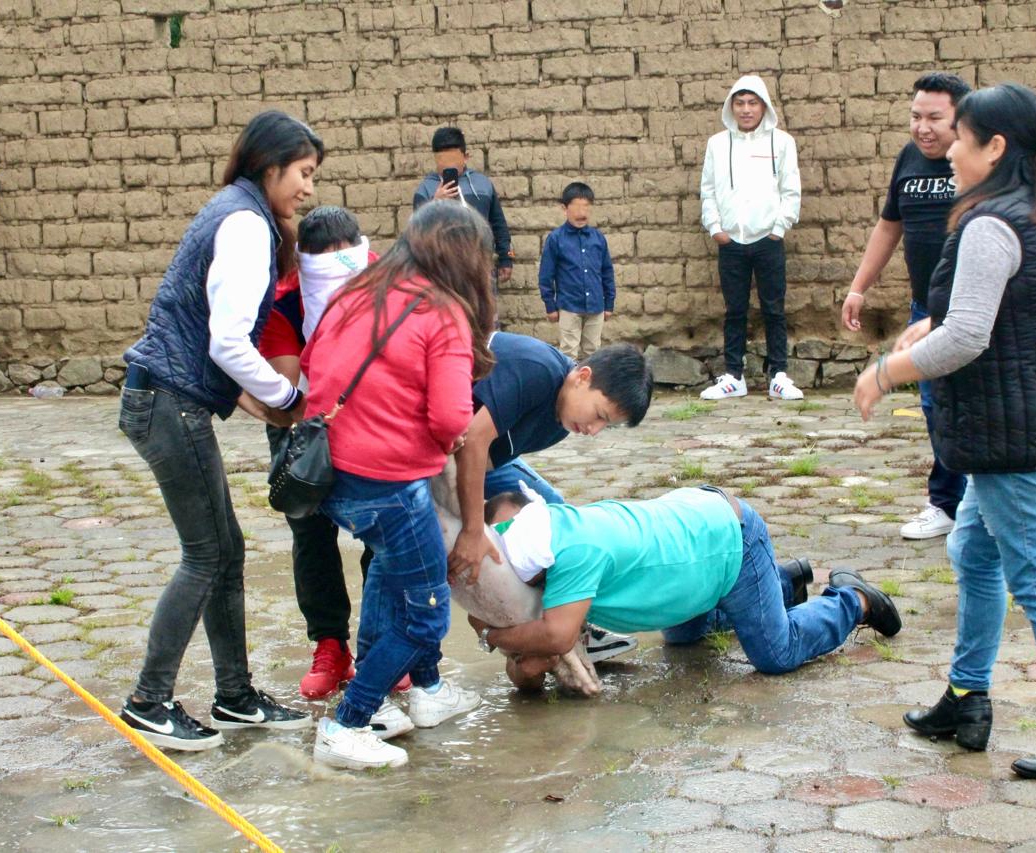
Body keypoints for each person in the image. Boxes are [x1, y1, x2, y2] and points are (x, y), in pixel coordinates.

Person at [853, 83, 1036, 782]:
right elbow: (1007, 311)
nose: (951, 154)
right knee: (973, 547)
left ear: (995, 148)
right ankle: (968, 697)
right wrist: (924, 325)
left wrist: (887, 370)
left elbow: (969, 336)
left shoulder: (990, 224)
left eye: (963, 141)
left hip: (1013, 435)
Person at [117, 111, 322, 750]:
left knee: (225, 549)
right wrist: (290, 395)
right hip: (167, 406)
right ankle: (149, 701)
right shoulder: (243, 225)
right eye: (304, 174)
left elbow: (216, 347)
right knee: (207, 554)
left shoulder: (237, 212)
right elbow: (229, 342)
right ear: (272, 165)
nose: (309, 190)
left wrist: (264, 405)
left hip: (174, 401)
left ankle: (235, 696)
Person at [302, 201, 497, 770]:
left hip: (332, 478)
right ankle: (349, 723)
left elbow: (315, 366)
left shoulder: (356, 292)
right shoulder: (443, 314)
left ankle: (423, 694)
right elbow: (447, 418)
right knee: (426, 615)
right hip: (388, 483)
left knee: (391, 575)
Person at [468, 487, 899, 691]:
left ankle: (852, 599)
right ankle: (780, 583)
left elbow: (557, 637)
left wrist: (491, 635)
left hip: (730, 538)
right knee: (682, 636)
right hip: (694, 551)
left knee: (775, 653)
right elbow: (527, 669)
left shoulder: (573, 554)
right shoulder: (550, 536)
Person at [447, 333, 654, 663]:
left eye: (607, 426)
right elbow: (472, 441)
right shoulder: (537, 370)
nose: (594, 430)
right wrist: (472, 531)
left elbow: (484, 460)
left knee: (559, 518)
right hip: (438, 441)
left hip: (479, 455)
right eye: (599, 415)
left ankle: (573, 627)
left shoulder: (563, 420)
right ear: (582, 377)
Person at [842, 73, 972, 542]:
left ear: (961, 118)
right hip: (927, 306)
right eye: (916, 116)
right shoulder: (909, 159)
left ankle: (978, 499)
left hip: (973, 309)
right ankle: (947, 503)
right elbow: (887, 227)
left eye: (935, 118)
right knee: (935, 404)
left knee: (973, 403)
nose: (923, 128)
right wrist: (859, 287)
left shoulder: (975, 167)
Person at [255, 206, 374, 701]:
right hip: (302, 422)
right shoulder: (284, 302)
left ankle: (378, 647)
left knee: (382, 532)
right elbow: (286, 389)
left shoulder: (384, 281)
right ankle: (330, 645)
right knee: (311, 534)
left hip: (375, 417)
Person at [699, 74, 803, 402]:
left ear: (764, 106)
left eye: (752, 103)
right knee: (735, 310)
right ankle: (733, 376)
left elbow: (791, 188)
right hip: (731, 241)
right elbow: (708, 190)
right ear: (732, 106)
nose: (746, 110)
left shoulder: (781, 142)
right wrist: (715, 227)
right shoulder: (718, 144)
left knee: (774, 308)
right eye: (740, 103)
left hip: (767, 240)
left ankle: (779, 375)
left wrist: (779, 228)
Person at [412, 126, 513, 288]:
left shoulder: (483, 185)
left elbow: (498, 224)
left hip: (481, 272)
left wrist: (507, 257)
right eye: (442, 162)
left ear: (465, 157)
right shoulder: (426, 190)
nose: (447, 167)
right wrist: (435, 203)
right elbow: (417, 234)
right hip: (442, 277)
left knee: (485, 313)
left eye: (453, 162)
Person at [538, 182, 615, 360]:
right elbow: (546, 275)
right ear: (564, 208)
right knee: (568, 353)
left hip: (596, 306)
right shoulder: (556, 239)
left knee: (593, 352)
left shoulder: (598, 239)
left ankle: (590, 387)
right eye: (576, 208)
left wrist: (609, 303)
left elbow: (607, 272)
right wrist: (550, 305)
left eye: (586, 207)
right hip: (569, 306)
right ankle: (569, 386)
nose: (582, 213)